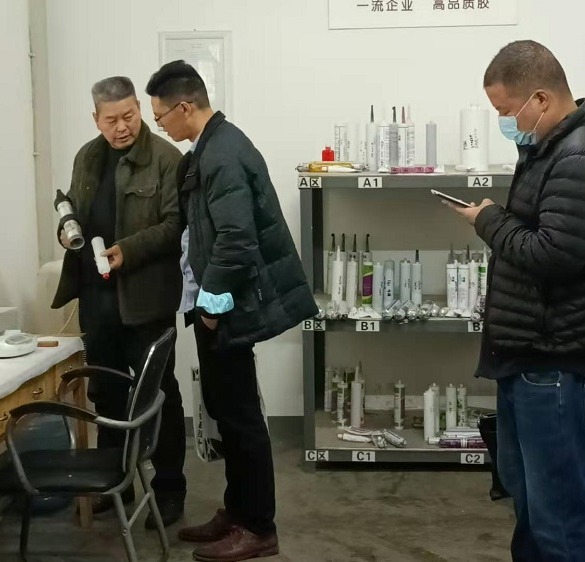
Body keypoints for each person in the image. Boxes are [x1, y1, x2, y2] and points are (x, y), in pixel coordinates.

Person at [146, 60, 318, 562]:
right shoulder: (210, 148)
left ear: (184, 107)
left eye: (160, 116)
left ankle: (258, 526)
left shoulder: (222, 153)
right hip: (217, 305)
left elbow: (237, 239)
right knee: (225, 409)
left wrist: (212, 305)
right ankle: (238, 511)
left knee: (241, 418)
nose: (160, 125)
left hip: (227, 307)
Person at [446, 40, 585, 561]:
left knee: (557, 513)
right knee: (528, 499)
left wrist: (487, 220)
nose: (505, 123)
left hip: (549, 361)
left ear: (541, 99)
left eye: (507, 111)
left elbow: (554, 253)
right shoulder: (548, 149)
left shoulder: (575, 157)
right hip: (526, 356)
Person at [52, 76, 187, 528]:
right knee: (106, 395)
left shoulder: (166, 159)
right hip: (97, 298)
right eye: (111, 120)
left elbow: (175, 225)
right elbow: (74, 209)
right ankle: (115, 484)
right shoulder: (86, 157)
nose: (122, 127)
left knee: (158, 395)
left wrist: (128, 250)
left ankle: (170, 490)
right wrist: (65, 229)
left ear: (140, 110)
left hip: (146, 300)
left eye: (129, 115)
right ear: (96, 119)